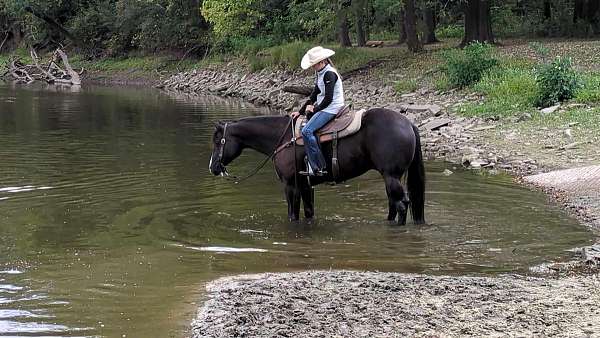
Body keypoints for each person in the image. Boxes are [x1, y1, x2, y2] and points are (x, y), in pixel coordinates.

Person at [291, 46, 345, 176]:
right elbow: (314, 94)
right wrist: (301, 111)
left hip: (332, 108)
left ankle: (319, 166)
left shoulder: (329, 74)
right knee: (307, 125)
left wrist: (315, 109)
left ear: (321, 62)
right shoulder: (321, 73)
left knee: (307, 131)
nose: (312, 67)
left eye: (313, 64)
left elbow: (328, 98)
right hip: (326, 106)